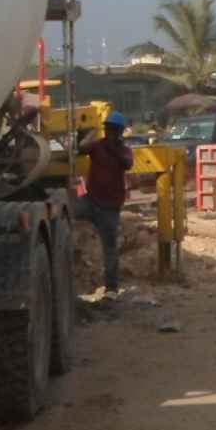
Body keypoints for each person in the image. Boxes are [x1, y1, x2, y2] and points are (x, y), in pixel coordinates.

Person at [77, 111, 135, 294]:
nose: (110, 133)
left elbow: (128, 164)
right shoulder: (97, 146)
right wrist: (92, 132)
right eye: (108, 129)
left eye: (113, 130)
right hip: (91, 200)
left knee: (110, 249)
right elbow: (82, 148)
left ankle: (111, 288)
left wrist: (114, 149)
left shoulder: (124, 150)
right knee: (64, 214)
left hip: (110, 207)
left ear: (119, 132)